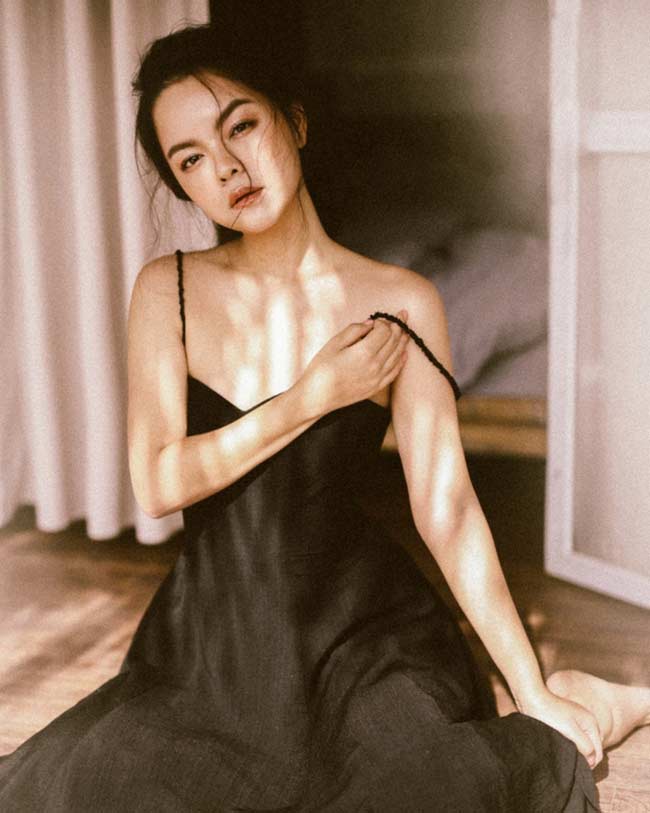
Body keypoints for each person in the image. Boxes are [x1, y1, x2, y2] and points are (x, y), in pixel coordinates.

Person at [1, 22, 649, 812]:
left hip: (364, 635)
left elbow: (446, 509)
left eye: (241, 125)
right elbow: (159, 482)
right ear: (181, 185)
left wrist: (529, 687)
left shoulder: (402, 301)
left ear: (296, 122)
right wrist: (310, 397)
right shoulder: (166, 290)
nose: (226, 167)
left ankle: (587, 697)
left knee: (419, 788)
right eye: (190, 159)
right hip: (215, 642)